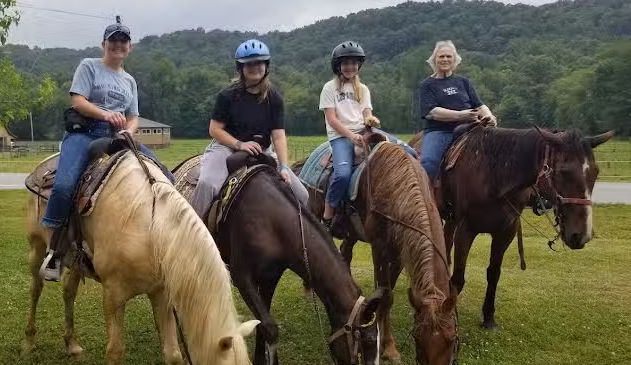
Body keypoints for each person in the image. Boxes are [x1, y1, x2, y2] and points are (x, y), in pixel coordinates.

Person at [40, 20, 168, 281]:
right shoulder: (89, 66)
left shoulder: (129, 81)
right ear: (104, 44)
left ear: (129, 47)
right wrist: (107, 115)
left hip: (116, 137)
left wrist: (127, 132)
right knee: (65, 186)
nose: (118, 45)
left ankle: (164, 238)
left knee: (165, 176)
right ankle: (54, 249)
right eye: (113, 40)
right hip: (84, 133)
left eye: (123, 41)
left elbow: (133, 116)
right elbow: (78, 101)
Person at [189, 39, 308, 219]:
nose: (255, 67)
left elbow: (278, 136)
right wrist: (240, 144)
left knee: (302, 194)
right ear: (241, 68)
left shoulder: (274, 98)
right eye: (249, 64)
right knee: (208, 184)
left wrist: (284, 166)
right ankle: (191, 232)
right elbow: (214, 130)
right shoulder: (227, 95)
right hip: (226, 148)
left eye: (259, 63)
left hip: (263, 150)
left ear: (266, 66)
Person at [319, 41, 415, 230]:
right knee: (343, 175)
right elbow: (331, 119)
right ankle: (327, 216)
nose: (350, 67)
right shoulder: (329, 88)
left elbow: (367, 113)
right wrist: (350, 136)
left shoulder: (363, 89)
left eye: (354, 63)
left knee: (410, 152)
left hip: (364, 131)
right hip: (340, 136)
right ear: (338, 65)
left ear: (359, 65)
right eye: (346, 63)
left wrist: (371, 120)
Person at [417, 40, 497, 182]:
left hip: (470, 129)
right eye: (441, 56)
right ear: (434, 60)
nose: (445, 59)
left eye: (449, 56)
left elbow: (479, 105)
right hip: (440, 131)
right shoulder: (427, 85)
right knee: (428, 162)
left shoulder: (463, 82)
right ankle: (425, 198)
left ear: (455, 60)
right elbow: (432, 112)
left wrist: (489, 115)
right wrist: (461, 115)